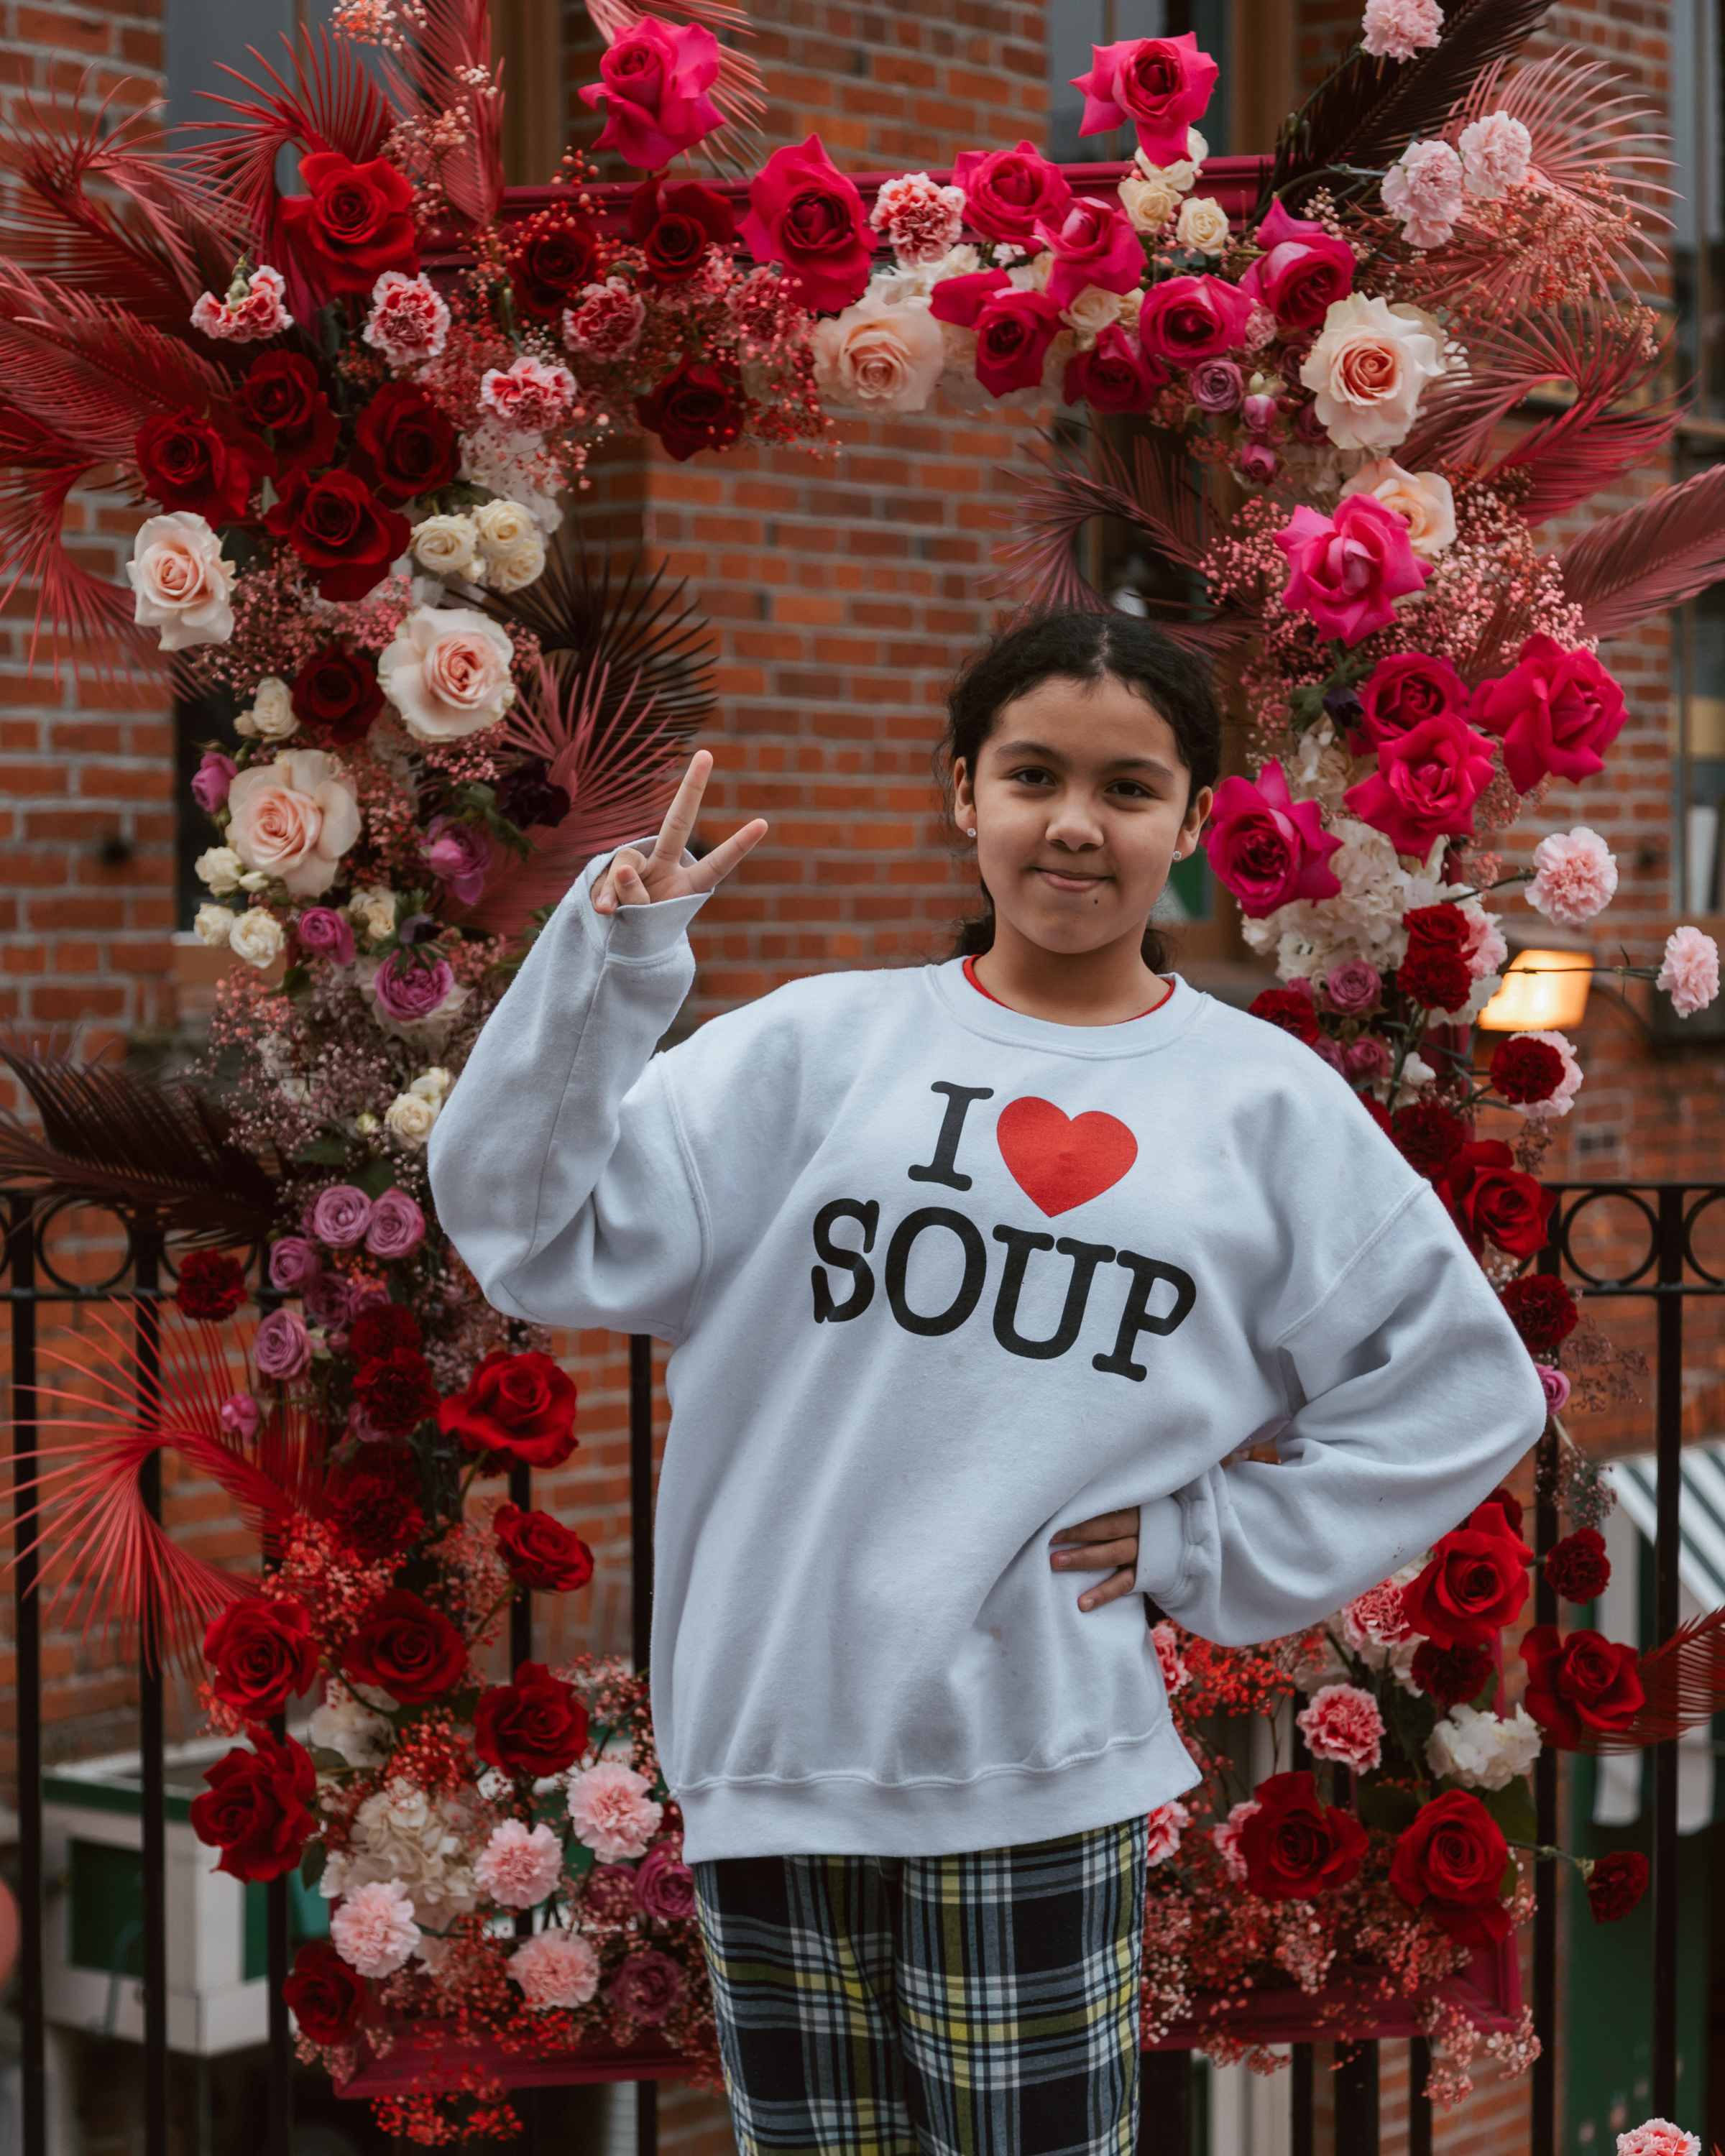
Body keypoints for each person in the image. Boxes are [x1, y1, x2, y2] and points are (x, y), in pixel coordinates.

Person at [428, 612, 1547, 2156]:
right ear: (965, 792)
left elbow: (1465, 1388)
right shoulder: (813, 1049)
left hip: (1035, 1762)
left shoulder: (1262, 1105)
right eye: (1032, 775)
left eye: (1128, 788)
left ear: (1193, 825)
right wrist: (610, 968)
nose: (1075, 823)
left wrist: (1209, 1541)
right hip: (775, 1749)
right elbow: (521, 1226)